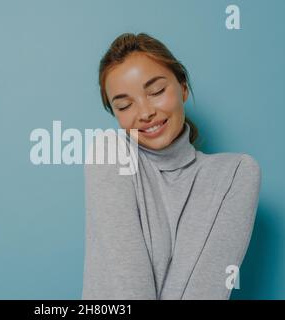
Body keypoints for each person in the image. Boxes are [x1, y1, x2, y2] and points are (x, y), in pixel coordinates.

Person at [82, 32, 261, 300]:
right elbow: (124, 289)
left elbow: (205, 289)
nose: (144, 113)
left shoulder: (236, 173)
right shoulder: (109, 153)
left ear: (183, 88)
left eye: (155, 91)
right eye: (124, 105)